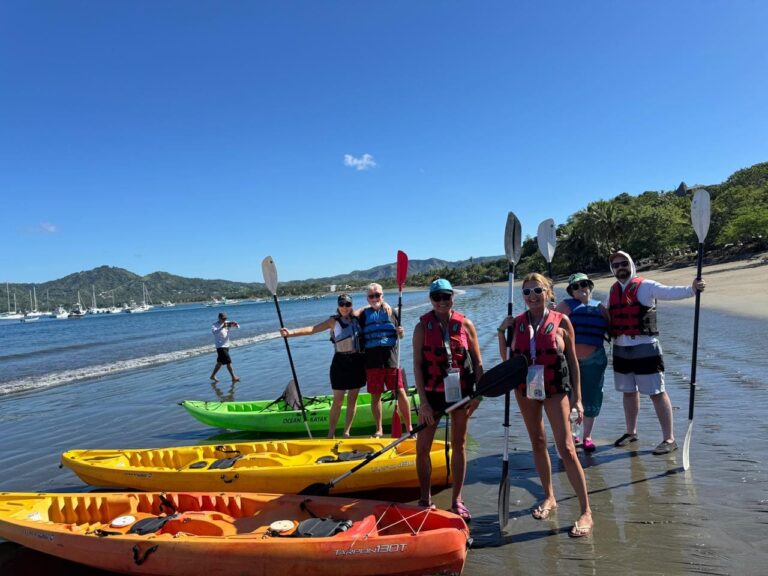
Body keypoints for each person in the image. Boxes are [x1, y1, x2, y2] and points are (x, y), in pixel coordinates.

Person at [498, 272, 593, 538]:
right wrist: (499, 332)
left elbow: (573, 362)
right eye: (526, 292)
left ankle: (586, 511)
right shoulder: (516, 323)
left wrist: (578, 398)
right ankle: (550, 497)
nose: (531, 296)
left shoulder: (562, 320)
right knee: (537, 443)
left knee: (565, 447)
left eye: (537, 291)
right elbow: (507, 361)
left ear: (548, 292)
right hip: (526, 390)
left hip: (554, 388)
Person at [608, 250, 706, 455]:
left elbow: (670, 292)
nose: (620, 268)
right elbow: (607, 315)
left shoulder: (646, 286)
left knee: (656, 392)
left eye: (623, 263)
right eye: (616, 265)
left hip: (645, 347)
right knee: (628, 392)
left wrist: (693, 289)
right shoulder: (613, 290)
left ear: (631, 264)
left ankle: (669, 439)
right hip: (620, 349)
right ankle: (631, 432)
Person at [413, 278, 483, 521]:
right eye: (437, 297)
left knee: (459, 445)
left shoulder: (465, 324)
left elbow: (478, 363)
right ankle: (425, 499)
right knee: (422, 448)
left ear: (453, 296)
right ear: (431, 300)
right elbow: (418, 367)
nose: (442, 301)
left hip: (461, 394)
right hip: (432, 395)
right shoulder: (422, 327)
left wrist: (479, 395)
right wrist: (423, 402)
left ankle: (457, 500)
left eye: (446, 296)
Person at [280, 293, 366, 438]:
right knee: (338, 401)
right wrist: (290, 333)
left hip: (357, 362)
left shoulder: (357, 317)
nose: (345, 307)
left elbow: (371, 304)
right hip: (340, 363)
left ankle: (346, 432)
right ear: (338, 306)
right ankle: (330, 434)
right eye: (342, 304)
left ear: (351, 305)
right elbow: (312, 329)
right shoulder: (333, 321)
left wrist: (384, 305)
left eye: (348, 304)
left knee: (352, 399)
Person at [555, 272, 610, 452]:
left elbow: (612, 328)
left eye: (584, 284)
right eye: (576, 286)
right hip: (571, 361)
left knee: (592, 397)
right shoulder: (564, 306)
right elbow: (551, 326)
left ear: (589, 286)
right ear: (571, 291)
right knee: (571, 398)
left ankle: (587, 436)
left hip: (595, 360)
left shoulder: (600, 307)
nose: (581, 289)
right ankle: (573, 434)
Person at [357, 282, 412, 438]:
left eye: (378, 295)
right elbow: (350, 314)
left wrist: (401, 332)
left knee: (400, 392)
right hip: (372, 361)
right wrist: (370, 306)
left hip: (391, 359)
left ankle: (408, 428)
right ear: (367, 298)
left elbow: (400, 335)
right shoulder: (363, 315)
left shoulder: (391, 312)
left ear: (383, 295)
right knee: (376, 395)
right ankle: (379, 429)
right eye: (371, 296)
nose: (375, 298)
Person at [210, 312, 240, 384]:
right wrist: (222, 327)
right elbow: (214, 332)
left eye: (225, 318)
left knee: (220, 362)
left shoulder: (227, 323)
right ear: (219, 318)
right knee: (229, 362)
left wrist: (236, 324)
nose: (224, 320)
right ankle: (233, 377)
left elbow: (238, 327)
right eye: (223, 318)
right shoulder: (215, 325)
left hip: (226, 345)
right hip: (220, 346)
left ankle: (212, 376)